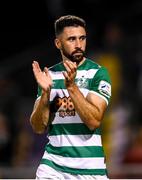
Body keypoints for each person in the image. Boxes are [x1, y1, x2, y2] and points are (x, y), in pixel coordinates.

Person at [30, 15, 111, 180]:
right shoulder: (49, 76)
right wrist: (45, 94)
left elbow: (94, 121)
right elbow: (38, 127)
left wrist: (71, 87)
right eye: (72, 39)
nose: (79, 45)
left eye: (82, 38)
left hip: (90, 169)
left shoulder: (98, 73)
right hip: (53, 167)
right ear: (58, 43)